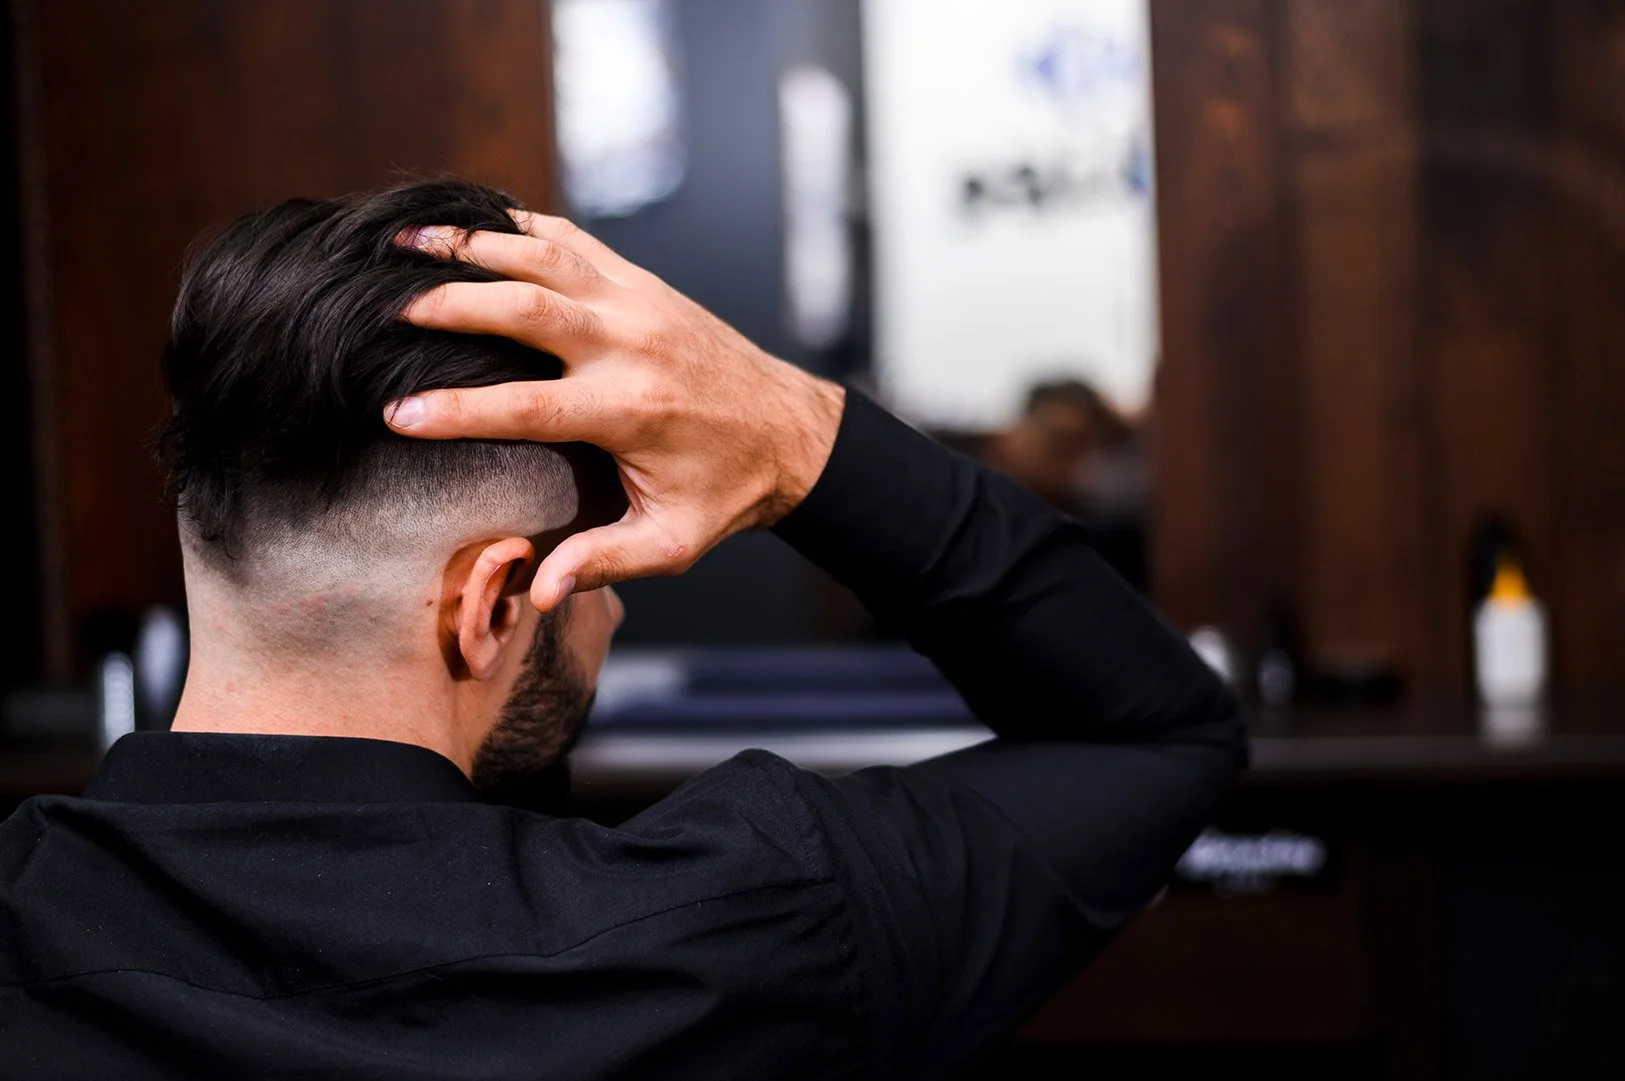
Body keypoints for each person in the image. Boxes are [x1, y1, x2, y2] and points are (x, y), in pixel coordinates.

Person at [0, 180, 1245, 1079]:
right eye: (607, 564)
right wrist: (797, 433)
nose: (619, 602)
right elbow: (1154, 733)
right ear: (491, 605)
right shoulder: (725, 939)